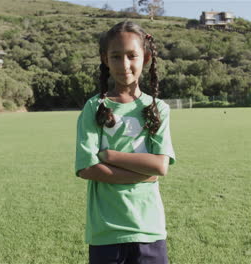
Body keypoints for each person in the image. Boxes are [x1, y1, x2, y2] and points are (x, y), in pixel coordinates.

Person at [75, 20, 176, 264]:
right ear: (105, 59)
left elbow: (160, 167)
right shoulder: (94, 107)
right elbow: (87, 168)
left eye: (132, 56)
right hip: (106, 231)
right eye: (116, 56)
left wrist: (109, 155)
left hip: (148, 229)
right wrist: (144, 171)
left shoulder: (157, 108)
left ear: (146, 57)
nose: (125, 65)